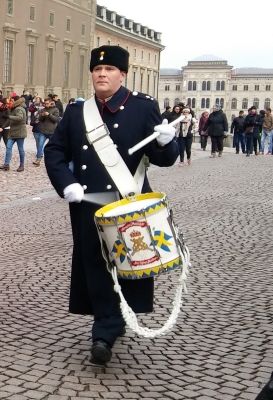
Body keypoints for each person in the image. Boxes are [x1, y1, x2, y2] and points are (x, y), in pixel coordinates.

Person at [44, 45, 178, 366]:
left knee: (132, 263)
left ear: (123, 74)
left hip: (129, 201)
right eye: (96, 70)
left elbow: (165, 159)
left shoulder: (143, 108)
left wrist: (164, 141)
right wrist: (67, 183)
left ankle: (110, 324)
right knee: (96, 265)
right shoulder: (78, 112)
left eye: (109, 70)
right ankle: (105, 326)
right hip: (89, 204)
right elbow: (55, 151)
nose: (101, 74)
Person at [1, 93, 27, 171]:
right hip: (13, 132)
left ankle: (22, 165)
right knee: (8, 147)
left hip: (19, 132)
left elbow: (20, 117)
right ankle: (6, 164)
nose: (10, 102)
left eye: (11, 101)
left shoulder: (19, 108)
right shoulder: (14, 108)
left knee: (20, 149)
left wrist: (9, 117)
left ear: (16, 101)